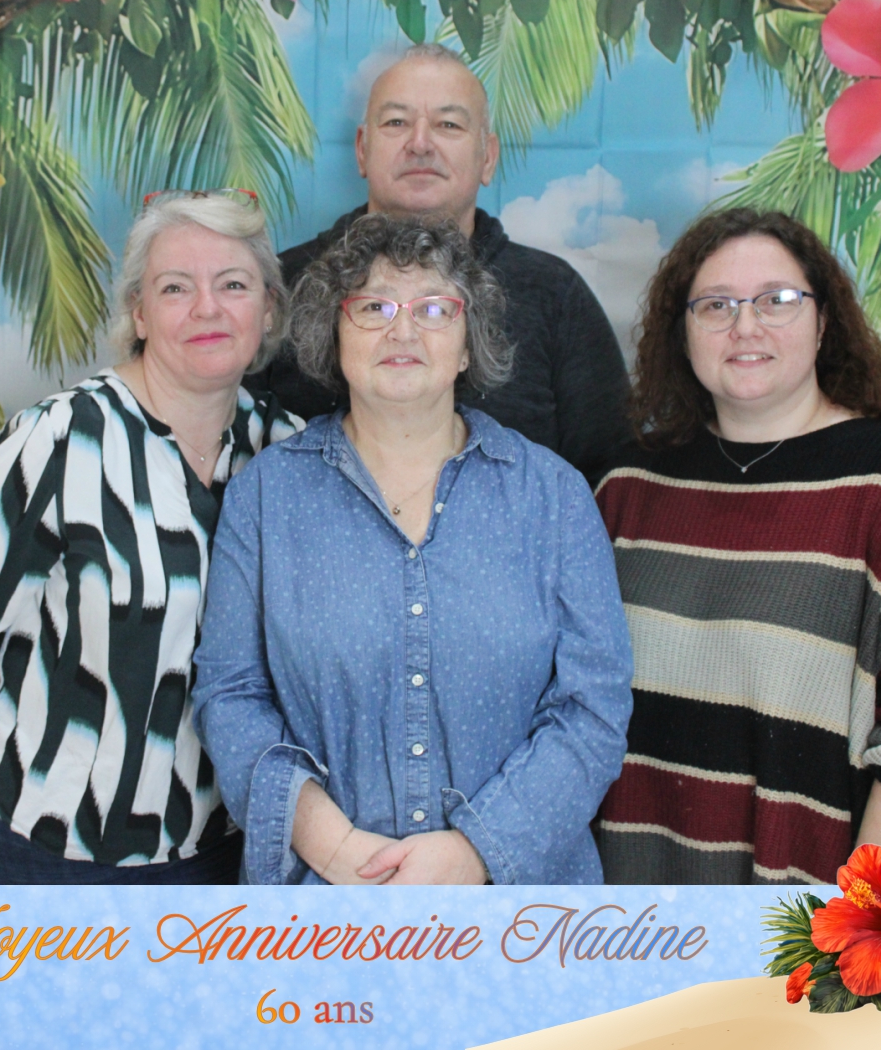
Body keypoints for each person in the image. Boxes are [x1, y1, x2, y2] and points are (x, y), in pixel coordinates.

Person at [0, 190, 301, 884]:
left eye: (233, 285)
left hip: (221, 850)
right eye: (175, 287)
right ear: (138, 311)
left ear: (269, 308)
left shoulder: (290, 453)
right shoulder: (53, 443)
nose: (207, 308)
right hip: (40, 845)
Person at [194, 215, 633, 886]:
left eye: (434, 308)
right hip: (328, 906)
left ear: (467, 345)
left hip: (522, 921)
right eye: (373, 307)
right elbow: (231, 693)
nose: (403, 330)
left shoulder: (553, 497)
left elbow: (593, 706)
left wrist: (477, 851)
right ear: (334, 337)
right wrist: (332, 844)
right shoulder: (267, 496)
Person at [593, 208, 881, 886]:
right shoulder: (624, 489)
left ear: (824, 320)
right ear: (681, 332)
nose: (746, 326)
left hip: (805, 938)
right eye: (716, 305)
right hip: (624, 923)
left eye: (777, 301)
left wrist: (859, 935)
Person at [246, 43, 631, 486]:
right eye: (396, 122)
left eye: (448, 124)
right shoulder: (285, 284)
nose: (420, 143)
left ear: (487, 157)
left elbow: (612, 478)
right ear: (361, 149)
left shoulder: (554, 294)